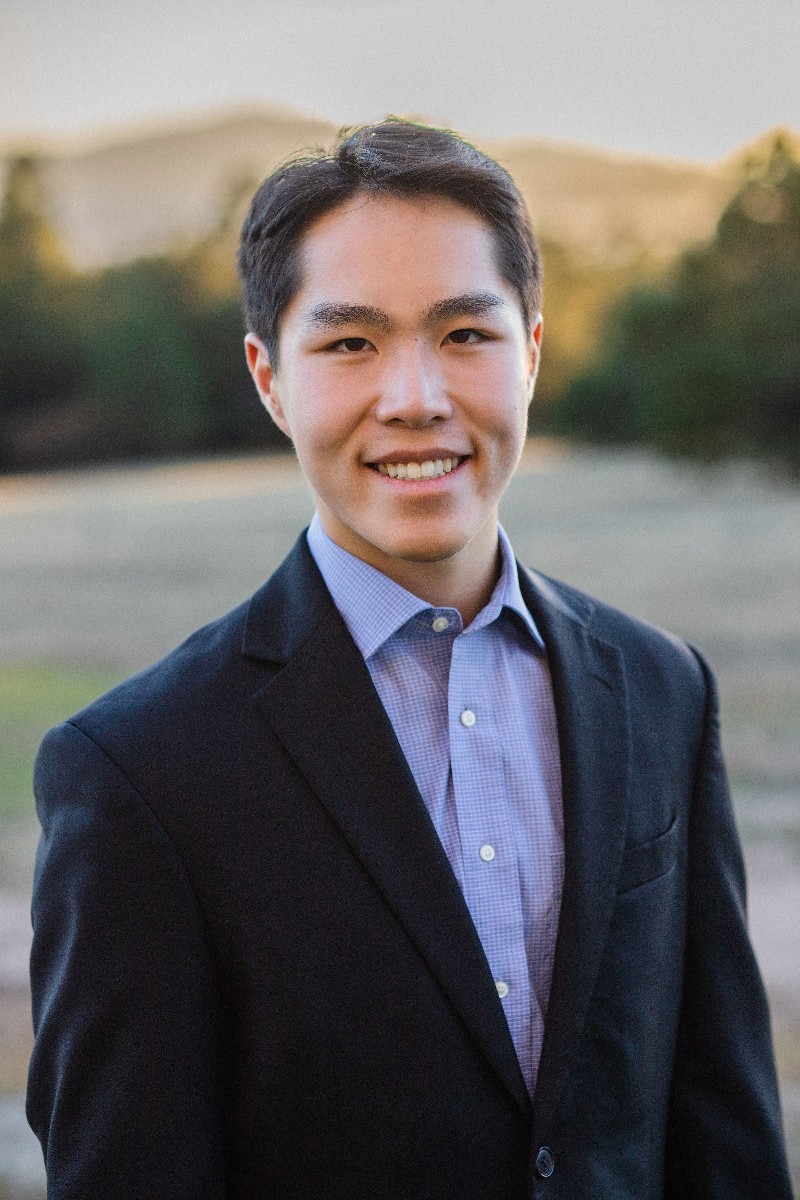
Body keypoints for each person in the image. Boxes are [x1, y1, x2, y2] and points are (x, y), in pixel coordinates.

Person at [27, 119, 792, 1199]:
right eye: (350, 343)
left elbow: (726, 1137)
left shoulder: (663, 689)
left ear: (529, 349)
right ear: (269, 378)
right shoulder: (137, 772)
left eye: (463, 335)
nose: (415, 397)